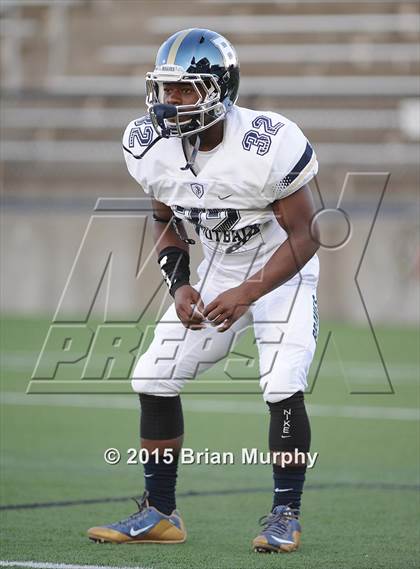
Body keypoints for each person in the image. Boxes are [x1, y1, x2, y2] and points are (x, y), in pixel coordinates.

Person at [87, 28, 320, 554]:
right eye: (166, 90)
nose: (171, 103)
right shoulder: (150, 146)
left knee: (282, 381)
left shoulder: (266, 141)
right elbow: (164, 217)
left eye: (186, 90)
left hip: (280, 265)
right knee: (153, 375)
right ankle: (161, 514)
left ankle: (286, 514)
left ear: (221, 88)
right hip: (216, 264)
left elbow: (307, 235)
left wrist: (248, 292)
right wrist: (181, 284)